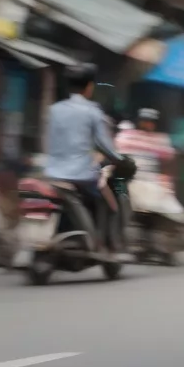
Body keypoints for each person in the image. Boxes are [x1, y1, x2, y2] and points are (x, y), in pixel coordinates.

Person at [44, 64, 125, 254]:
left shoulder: (54, 109)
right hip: (80, 173)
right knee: (107, 200)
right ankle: (99, 243)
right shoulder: (92, 111)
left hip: (52, 172)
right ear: (89, 87)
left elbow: (47, 140)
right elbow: (105, 145)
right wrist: (118, 159)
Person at [115, 109, 184, 224]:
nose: (148, 124)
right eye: (145, 121)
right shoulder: (128, 136)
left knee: (174, 212)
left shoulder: (160, 140)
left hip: (152, 182)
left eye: (151, 121)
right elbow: (118, 155)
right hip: (132, 180)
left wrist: (167, 182)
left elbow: (169, 162)